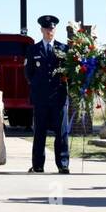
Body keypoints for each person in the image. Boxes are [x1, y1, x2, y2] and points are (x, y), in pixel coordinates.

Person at [24, 14, 70, 174]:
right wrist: (38, 87)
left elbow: (69, 72)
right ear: (41, 29)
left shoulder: (64, 49)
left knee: (62, 133)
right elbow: (28, 73)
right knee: (39, 132)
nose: (49, 31)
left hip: (59, 97)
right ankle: (37, 165)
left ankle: (63, 164)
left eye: (52, 28)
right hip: (41, 98)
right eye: (46, 28)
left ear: (55, 29)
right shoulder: (33, 49)